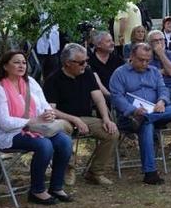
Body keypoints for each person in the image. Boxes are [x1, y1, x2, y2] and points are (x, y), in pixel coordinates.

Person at [0, 50, 73, 205]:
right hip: (9, 134)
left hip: (36, 128)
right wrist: (31, 121)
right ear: (5, 66)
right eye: (16, 62)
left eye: (24, 62)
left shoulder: (30, 82)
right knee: (44, 145)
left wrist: (48, 114)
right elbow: (4, 123)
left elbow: (44, 105)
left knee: (64, 141)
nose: (21, 65)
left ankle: (56, 187)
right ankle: (37, 191)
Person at [109, 42, 171, 185]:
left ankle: (146, 118)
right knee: (147, 125)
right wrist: (133, 111)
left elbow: (163, 89)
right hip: (130, 117)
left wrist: (162, 101)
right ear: (131, 56)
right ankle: (150, 173)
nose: (144, 63)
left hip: (154, 112)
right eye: (141, 60)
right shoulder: (119, 74)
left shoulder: (154, 71)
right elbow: (117, 98)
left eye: (147, 60)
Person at [44, 44, 119, 186]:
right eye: (81, 62)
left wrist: (106, 119)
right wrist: (74, 119)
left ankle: (95, 173)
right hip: (63, 119)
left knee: (112, 133)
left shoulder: (87, 73)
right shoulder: (53, 80)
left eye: (86, 61)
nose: (85, 65)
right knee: (63, 129)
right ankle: (68, 168)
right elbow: (51, 110)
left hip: (84, 118)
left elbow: (98, 98)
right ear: (68, 63)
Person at [147, 30, 171, 103]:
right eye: (155, 40)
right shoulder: (146, 56)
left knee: (163, 99)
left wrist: (161, 54)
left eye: (161, 39)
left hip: (169, 87)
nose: (159, 42)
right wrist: (161, 71)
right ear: (149, 44)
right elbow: (144, 72)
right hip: (150, 87)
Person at [88, 31, 125, 97]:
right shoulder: (90, 61)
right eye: (108, 41)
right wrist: (111, 97)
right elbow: (97, 83)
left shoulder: (117, 58)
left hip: (120, 94)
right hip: (100, 96)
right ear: (98, 44)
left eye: (112, 40)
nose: (112, 43)